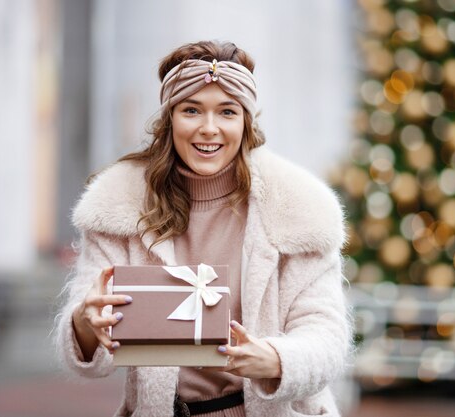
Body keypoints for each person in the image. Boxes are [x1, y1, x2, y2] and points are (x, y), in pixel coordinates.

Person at [54, 40, 351, 417]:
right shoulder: (119, 207)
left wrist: (275, 359)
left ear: (245, 122)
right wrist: (85, 322)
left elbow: (326, 336)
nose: (209, 129)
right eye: (191, 110)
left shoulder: (298, 209)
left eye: (227, 112)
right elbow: (88, 354)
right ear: (169, 118)